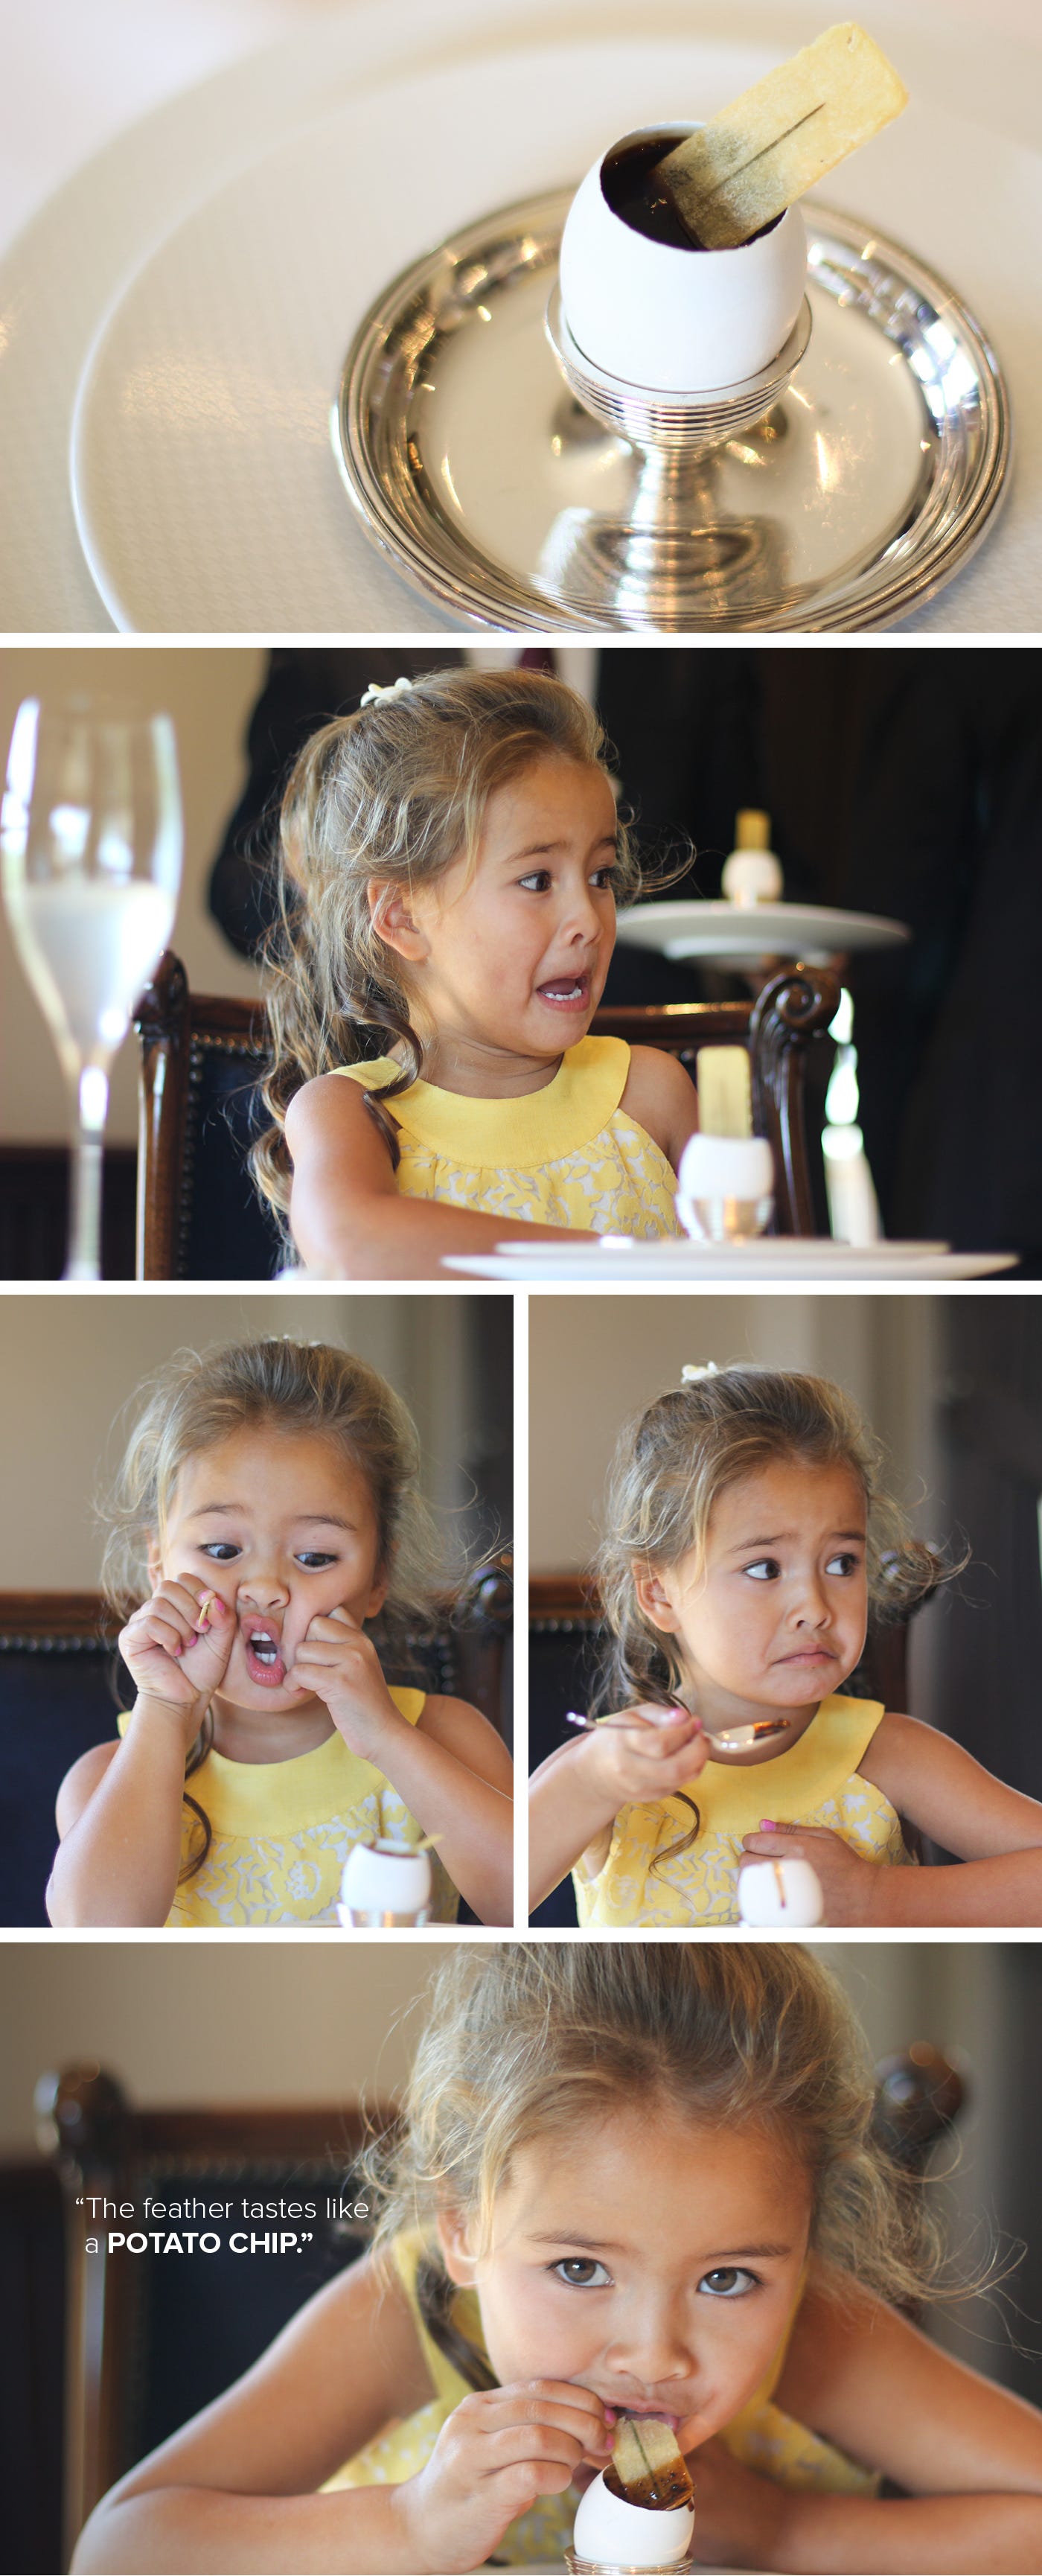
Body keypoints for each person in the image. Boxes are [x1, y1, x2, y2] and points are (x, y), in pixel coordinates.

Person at [71, 1942, 1042, 2572]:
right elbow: (119, 2550)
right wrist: (409, 2524)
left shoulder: (812, 2335)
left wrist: (778, 2528)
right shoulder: (409, 2321)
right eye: (579, 2269)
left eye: (727, 2279)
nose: (653, 2354)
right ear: (463, 2225)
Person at [528, 1362, 1042, 1928]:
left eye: (842, 1563)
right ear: (658, 1593)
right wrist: (591, 1781)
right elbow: (500, 1893)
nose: (816, 1608)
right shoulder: (608, 1771)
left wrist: (879, 1897)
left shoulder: (890, 1754)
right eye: (765, 1568)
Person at [47, 1338, 512, 1928]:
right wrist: (166, 1708)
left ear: (378, 1577)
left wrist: (387, 1738)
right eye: (222, 1550)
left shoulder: (444, 1738)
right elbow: (92, 1933)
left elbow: (520, 1903)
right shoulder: (109, 1780)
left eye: (315, 1557)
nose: (265, 1588)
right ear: (159, 1564)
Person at [251, 666, 698, 1278]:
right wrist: (626, 1264)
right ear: (404, 918)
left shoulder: (651, 1094)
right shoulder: (353, 1113)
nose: (589, 920)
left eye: (600, 876)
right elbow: (353, 1245)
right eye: (537, 881)